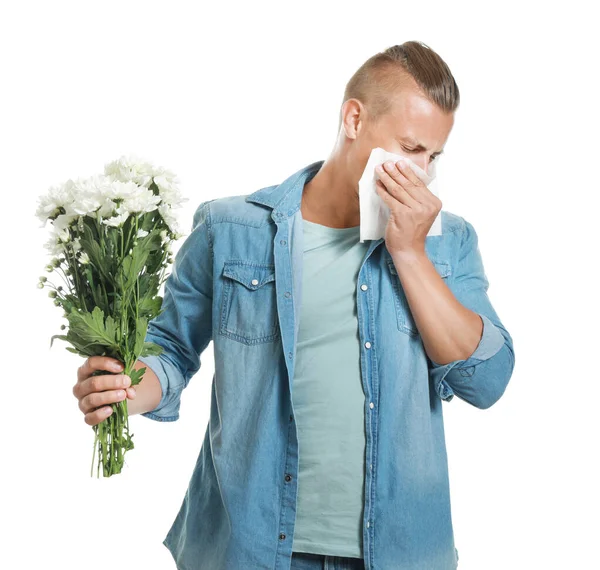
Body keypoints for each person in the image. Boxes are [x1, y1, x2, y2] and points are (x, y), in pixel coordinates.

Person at [73, 40, 515, 570]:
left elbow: (486, 382)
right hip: (250, 547)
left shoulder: (447, 242)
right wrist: (121, 390)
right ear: (354, 118)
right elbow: (169, 352)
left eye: (433, 156)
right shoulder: (231, 229)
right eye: (410, 148)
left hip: (399, 551)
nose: (423, 173)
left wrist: (409, 252)